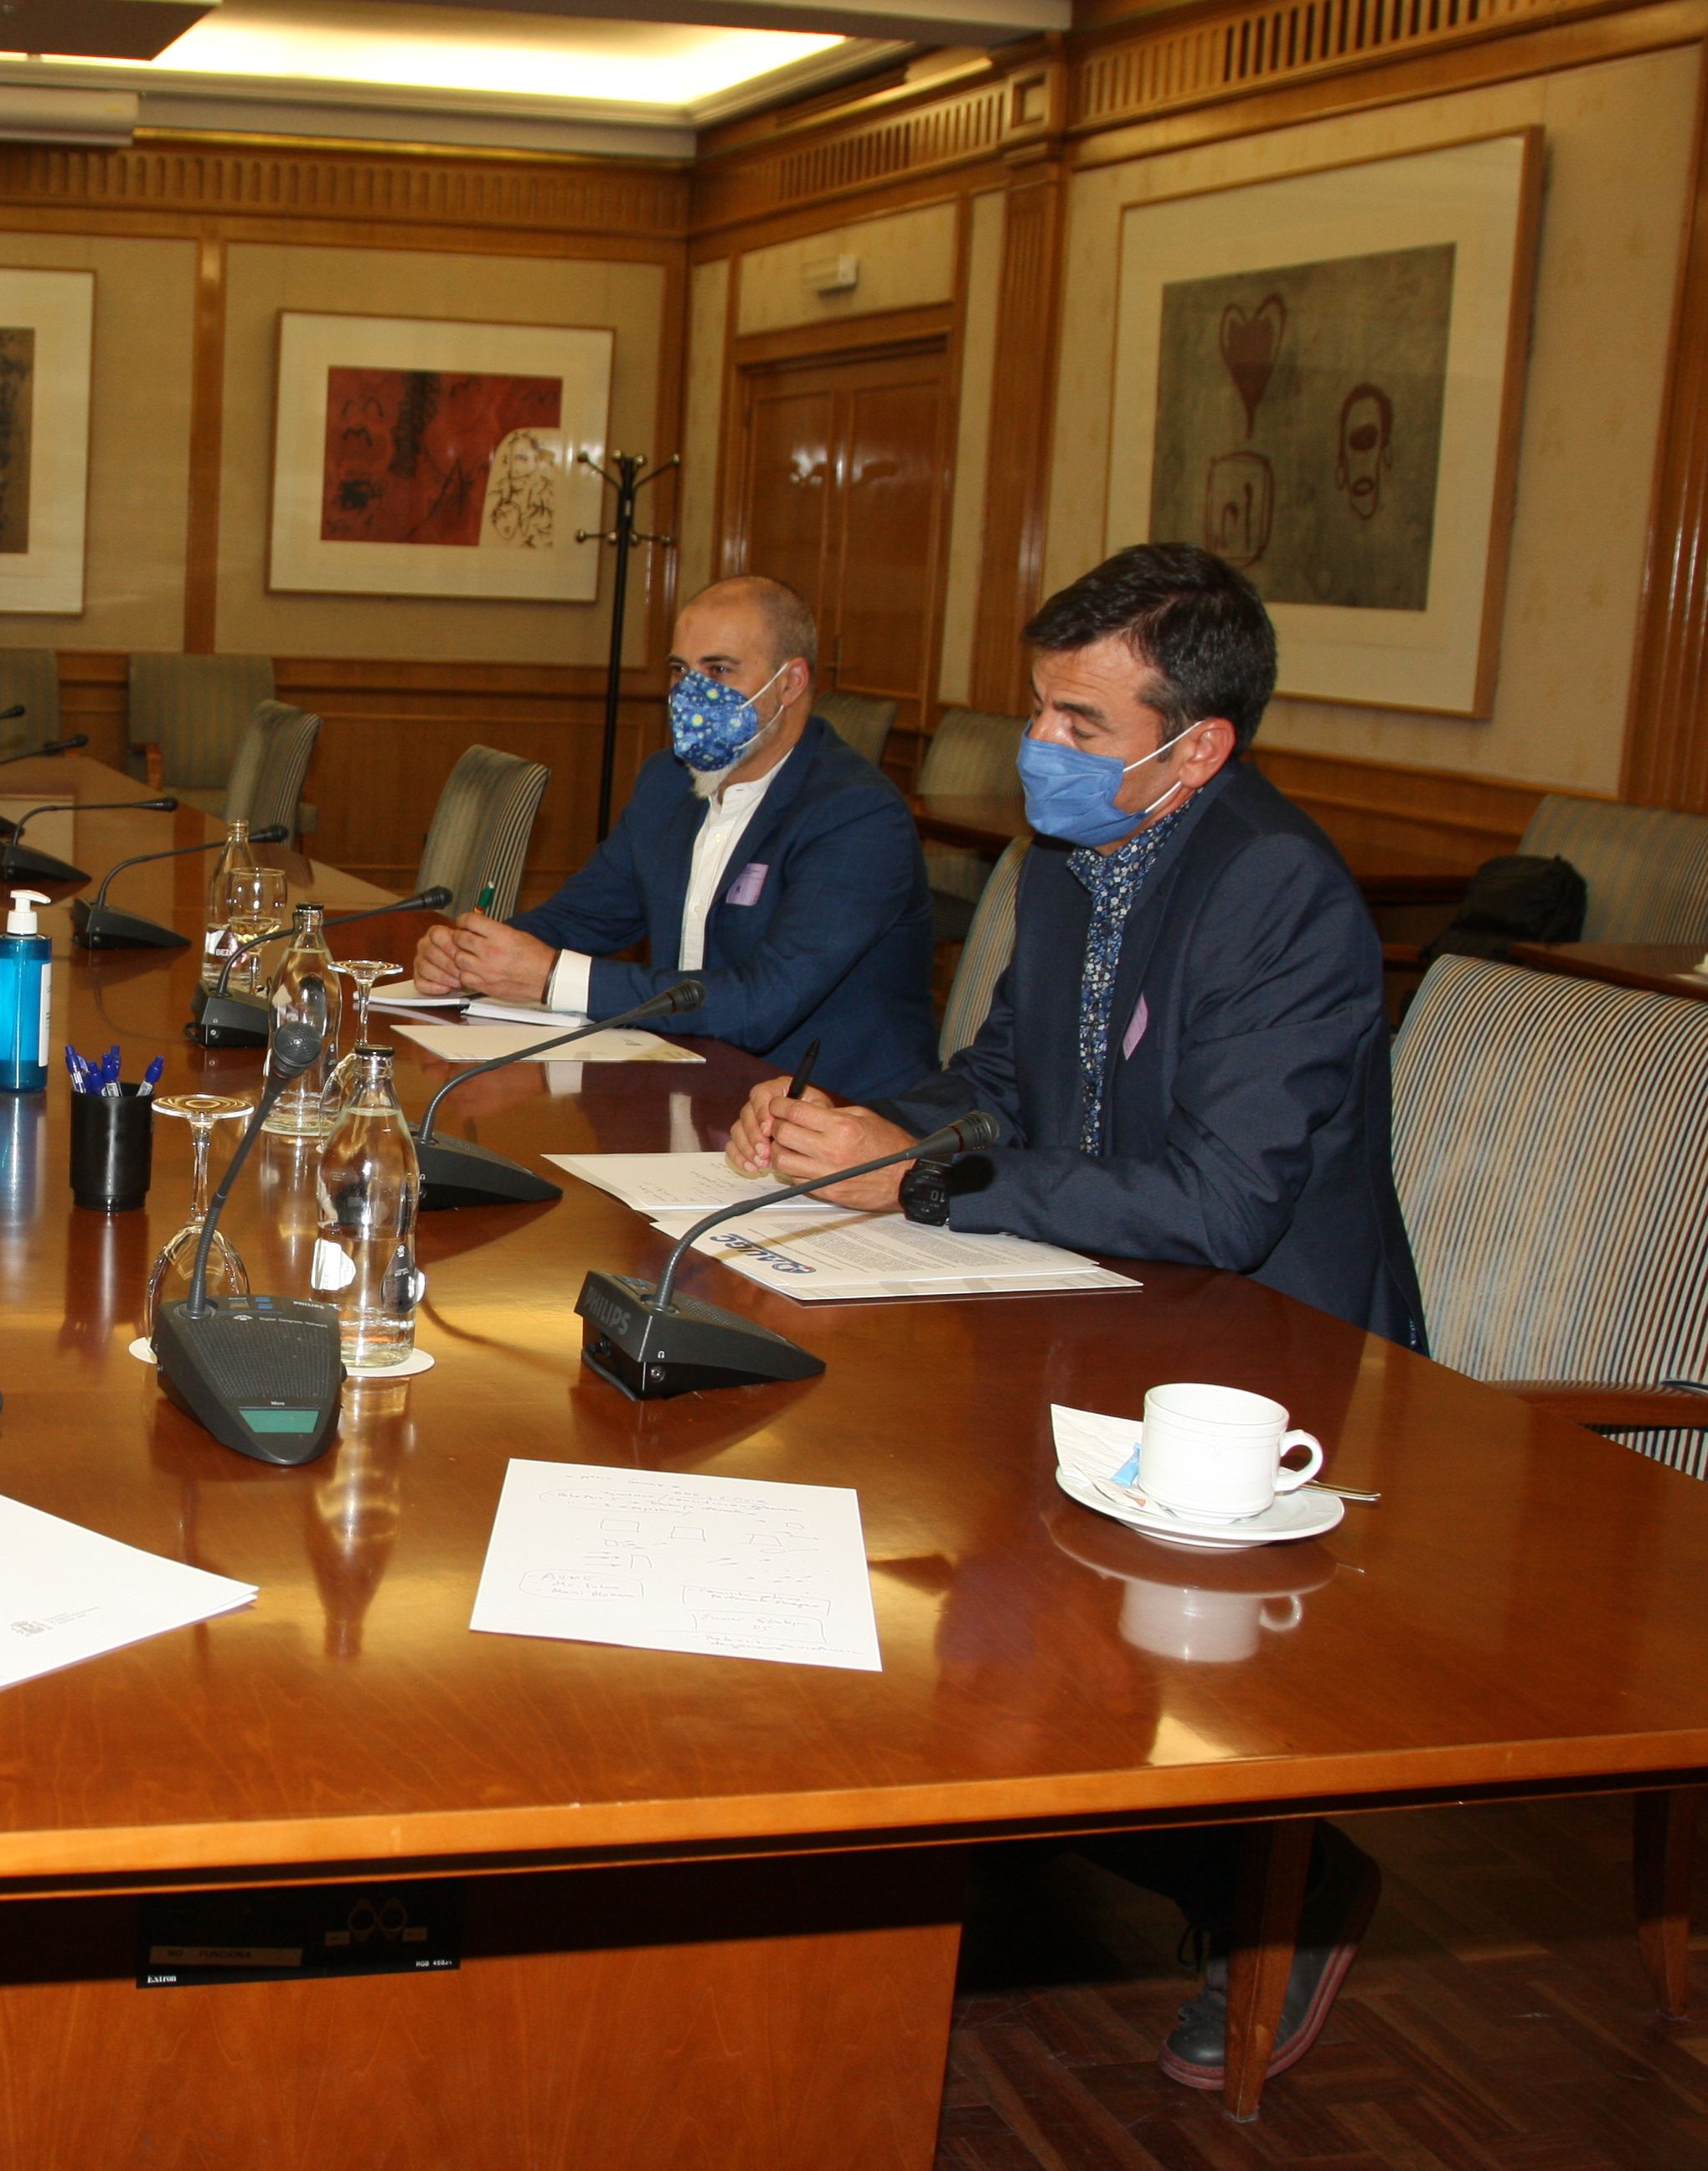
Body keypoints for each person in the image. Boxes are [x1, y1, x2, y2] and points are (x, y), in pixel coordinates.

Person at [726, 540, 1417, 2089]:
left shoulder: (1277, 892)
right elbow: (1003, 1082)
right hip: (1094, 1297)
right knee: (866, 1486)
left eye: (1079, 725)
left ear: (1198, 749)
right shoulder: (1067, 858)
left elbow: (1223, 1205)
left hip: (1264, 1356)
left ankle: (1283, 1884)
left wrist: (921, 1183)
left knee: (974, 1576)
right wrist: (857, 1129)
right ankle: (991, 1813)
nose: (1037, 749)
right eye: (1038, 709)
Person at [410, 574, 935, 1104]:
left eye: (719, 669)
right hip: (685, 1079)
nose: (690, 692)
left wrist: (550, 978)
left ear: (791, 682)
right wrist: (474, 954)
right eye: (681, 669)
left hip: (826, 1111)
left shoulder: (856, 814)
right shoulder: (668, 780)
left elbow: (762, 1004)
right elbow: (587, 916)